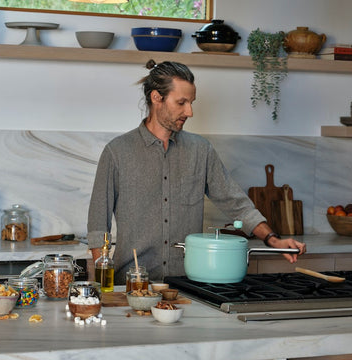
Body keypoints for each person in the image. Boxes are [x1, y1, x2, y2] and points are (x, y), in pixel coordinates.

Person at [87, 59, 306, 285]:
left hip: (188, 283)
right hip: (132, 284)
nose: (189, 112)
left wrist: (272, 239)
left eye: (191, 103)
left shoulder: (200, 150)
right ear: (156, 98)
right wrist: (105, 285)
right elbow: (97, 224)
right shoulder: (117, 152)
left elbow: (236, 202)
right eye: (181, 102)